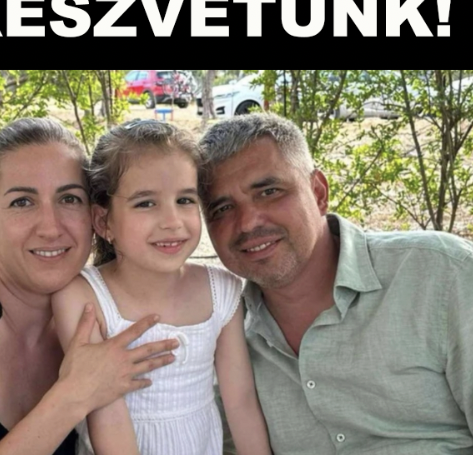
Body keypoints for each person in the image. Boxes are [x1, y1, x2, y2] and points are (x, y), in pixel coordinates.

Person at [197, 112, 473, 455]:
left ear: (318, 192)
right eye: (222, 209)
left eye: (269, 191)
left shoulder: (440, 274)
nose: (248, 222)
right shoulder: (221, 334)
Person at [0, 117, 180, 455]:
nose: (50, 228)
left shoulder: (98, 308)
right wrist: (75, 394)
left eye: (69, 199)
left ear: (95, 218)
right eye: (22, 202)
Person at [50, 118, 272, 455]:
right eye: (146, 203)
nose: (172, 221)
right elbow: (106, 415)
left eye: (184, 200)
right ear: (103, 220)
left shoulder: (222, 291)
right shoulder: (83, 297)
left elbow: (240, 401)